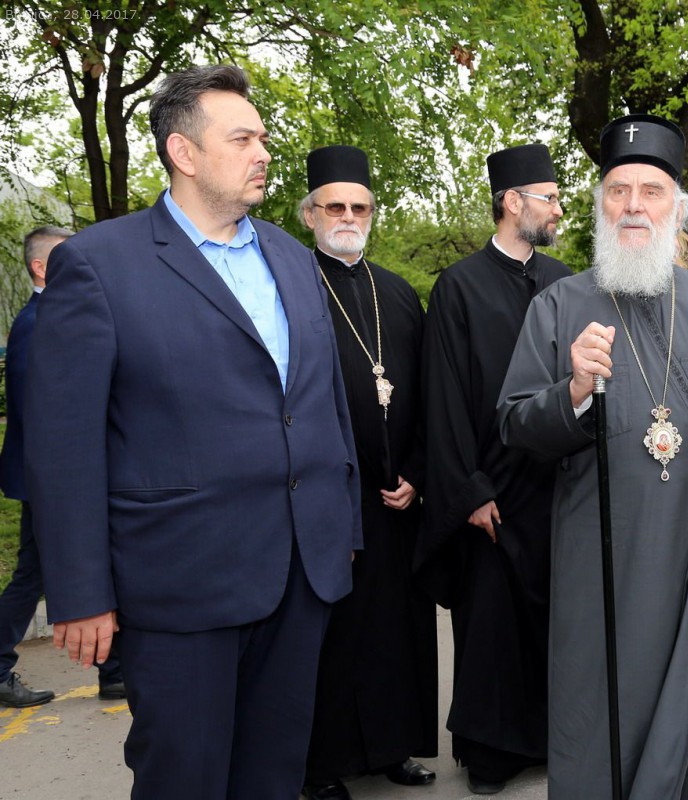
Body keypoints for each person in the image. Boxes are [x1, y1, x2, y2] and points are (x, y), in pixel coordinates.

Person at [24, 65, 362, 800]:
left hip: (301, 572)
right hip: (181, 579)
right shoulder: (100, 264)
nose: (263, 153)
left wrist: (344, 524)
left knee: (273, 776)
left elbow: (324, 401)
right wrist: (80, 591)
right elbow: (63, 444)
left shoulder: (291, 257)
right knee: (185, 777)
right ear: (183, 152)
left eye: (262, 138)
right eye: (242, 139)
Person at [498, 113, 688, 800]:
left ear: (675, 208)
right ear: (600, 207)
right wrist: (573, 390)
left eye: (650, 192)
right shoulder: (559, 304)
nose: (632, 206)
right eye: (617, 191)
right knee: (591, 704)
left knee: (677, 708)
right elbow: (514, 423)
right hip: (594, 548)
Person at [416, 143, 570, 795]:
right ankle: (491, 755)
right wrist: (469, 491)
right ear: (512, 202)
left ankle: (549, 740)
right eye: (549, 198)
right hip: (492, 493)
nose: (558, 210)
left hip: (555, 487)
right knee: (491, 630)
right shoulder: (458, 286)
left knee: (552, 627)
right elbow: (443, 399)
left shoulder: (566, 281)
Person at [298, 146, 438, 799]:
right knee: (332, 637)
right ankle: (323, 765)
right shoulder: (294, 288)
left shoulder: (399, 294)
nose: (348, 217)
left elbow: (431, 394)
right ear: (310, 215)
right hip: (329, 500)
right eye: (335, 207)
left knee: (394, 631)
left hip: (396, 499)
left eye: (360, 207)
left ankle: (392, 748)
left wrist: (418, 473)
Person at [0, 226, 125, 707]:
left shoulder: (57, 314)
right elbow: (46, 414)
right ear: (40, 268)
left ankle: (113, 670)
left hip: (55, 479)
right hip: (48, 482)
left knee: (59, 568)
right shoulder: (39, 321)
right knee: (34, 574)